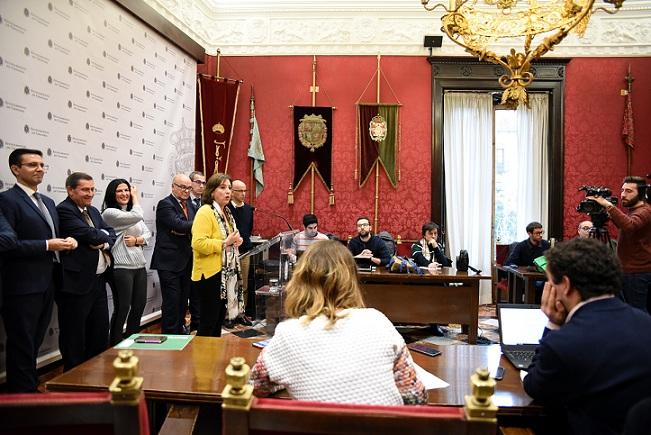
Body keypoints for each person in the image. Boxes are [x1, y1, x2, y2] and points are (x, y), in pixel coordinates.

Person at [250, 240, 427, 405]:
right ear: (351, 281)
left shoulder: (288, 333)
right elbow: (416, 396)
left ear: (299, 282)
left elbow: (254, 387)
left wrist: (289, 374)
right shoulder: (378, 320)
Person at [523, 238, 651, 435]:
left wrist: (553, 324)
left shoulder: (563, 342)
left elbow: (535, 387)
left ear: (565, 285)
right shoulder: (646, 322)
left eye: (551, 283)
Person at [0, 149, 76, 391]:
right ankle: (23, 399)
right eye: (32, 165)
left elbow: (51, 236)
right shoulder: (7, 200)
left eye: (42, 164)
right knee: (21, 344)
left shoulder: (48, 202)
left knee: (33, 342)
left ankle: (29, 391)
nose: (40, 169)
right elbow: (8, 245)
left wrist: (67, 241)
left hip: (48, 282)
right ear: (15, 169)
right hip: (21, 285)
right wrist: (47, 245)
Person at [57, 172, 116, 370]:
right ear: (70, 190)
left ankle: (93, 376)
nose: (90, 193)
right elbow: (88, 234)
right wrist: (101, 236)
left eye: (92, 189)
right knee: (74, 335)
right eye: (85, 189)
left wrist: (104, 242)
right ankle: (73, 379)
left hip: (98, 281)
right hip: (77, 284)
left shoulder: (93, 211)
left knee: (99, 333)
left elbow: (111, 233)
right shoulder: (64, 210)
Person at [191, 173, 243, 336]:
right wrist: (225, 243)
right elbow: (198, 243)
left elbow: (228, 238)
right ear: (212, 191)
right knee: (208, 323)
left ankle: (211, 358)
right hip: (209, 275)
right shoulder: (205, 212)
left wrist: (235, 242)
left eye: (229, 188)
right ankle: (201, 359)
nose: (228, 191)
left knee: (217, 322)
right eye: (222, 187)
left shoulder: (226, 213)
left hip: (225, 274)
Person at [590, 176, 651, 313]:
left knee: (636, 311)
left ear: (641, 194)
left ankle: (639, 334)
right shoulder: (636, 210)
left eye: (629, 191)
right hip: (631, 270)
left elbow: (629, 225)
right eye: (622, 190)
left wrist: (608, 205)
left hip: (637, 272)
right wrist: (608, 214)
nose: (623, 194)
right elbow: (626, 227)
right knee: (631, 310)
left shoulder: (646, 211)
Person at [101, 179, 151, 345]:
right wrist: (136, 197)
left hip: (139, 266)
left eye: (127, 190)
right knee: (123, 307)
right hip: (121, 268)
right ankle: (114, 344)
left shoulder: (132, 214)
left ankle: (132, 340)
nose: (125, 194)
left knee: (139, 306)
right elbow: (137, 216)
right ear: (112, 194)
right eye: (120, 191)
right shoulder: (110, 213)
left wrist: (137, 240)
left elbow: (147, 233)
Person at [151, 174, 196, 334]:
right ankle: (170, 336)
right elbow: (178, 225)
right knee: (172, 301)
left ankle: (179, 330)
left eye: (189, 188)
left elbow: (183, 227)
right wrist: (193, 225)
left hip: (186, 260)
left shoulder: (190, 205)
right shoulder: (165, 204)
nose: (186, 191)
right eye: (182, 187)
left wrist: (183, 228)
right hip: (169, 262)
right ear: (173, 186)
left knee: (183, 301)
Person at [226, 179, 254, 323]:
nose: (243, 194)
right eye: (240, 191)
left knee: (243, 284)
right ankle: (229, 314)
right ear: (232, 192)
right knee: (230, 283)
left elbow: (248, 229)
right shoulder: (226, 208)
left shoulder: (249, 209)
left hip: (245, 251)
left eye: (245, 191)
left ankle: (241, 313)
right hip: (229, 251)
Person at [187, 171, 206, 331]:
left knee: (198, 295)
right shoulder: (184, 203)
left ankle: (197, 325)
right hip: (184, 254)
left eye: (203, 183)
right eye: (198, 182)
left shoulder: (205, 203)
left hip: (200, 257)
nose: (201, 186)